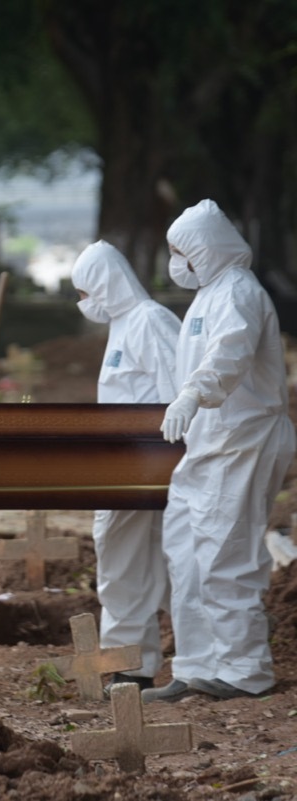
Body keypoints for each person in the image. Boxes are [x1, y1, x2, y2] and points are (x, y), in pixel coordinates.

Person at [144, 199, 296, 702]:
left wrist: (193, 394)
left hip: (242, 440)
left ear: (204, 249)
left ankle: (245, 670)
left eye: (180, 251)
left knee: (226, 553)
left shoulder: (238, 293)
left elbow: (228, 355)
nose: (176, 261)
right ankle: (197, 664)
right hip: (211, 443)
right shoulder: (209, 295)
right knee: (185, 551)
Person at [71, 240, 180, 692]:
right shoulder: (123, 325)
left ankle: (166, 664)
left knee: (143, 564)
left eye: (85, 291)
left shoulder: (151, 322)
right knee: (123, 563)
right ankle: (132, 664)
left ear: (105, 284)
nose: (82, 303)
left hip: (150, 465)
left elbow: (179, 393)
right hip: (124, 465)